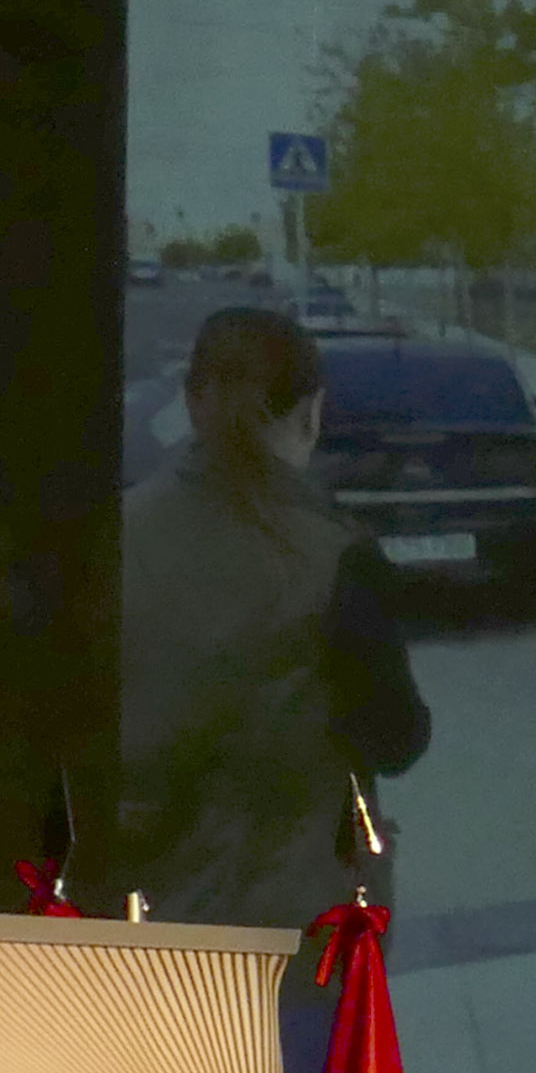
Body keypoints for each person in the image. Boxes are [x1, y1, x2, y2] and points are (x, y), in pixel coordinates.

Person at [116, 306, 428, 924]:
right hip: (293, 912)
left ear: (192, 402)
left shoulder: (115, 534)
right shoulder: (334, 555)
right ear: (311, 413)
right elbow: (395, 740)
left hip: (142, 907)